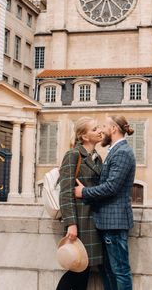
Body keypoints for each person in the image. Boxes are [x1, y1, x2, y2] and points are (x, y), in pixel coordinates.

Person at [75, 115, 136, 290]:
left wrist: (84, 192)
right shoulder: (113, 151)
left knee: (120, 271)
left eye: (103, 126)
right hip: (107, 222)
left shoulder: (123, 152)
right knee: (108, 271)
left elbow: (111, 187)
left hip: (114, 223)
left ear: (114, 129)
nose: (101, 130)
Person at [57, 117, 104, 290]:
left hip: (93, 220)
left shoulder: (97, 157)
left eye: (98, 127)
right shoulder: (73, 154)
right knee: (77, 269)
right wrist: (71, 224)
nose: (100, 131)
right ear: (84, 136)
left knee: (84, 268)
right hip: (80, 221)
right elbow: (66, 191)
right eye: (94, 129)